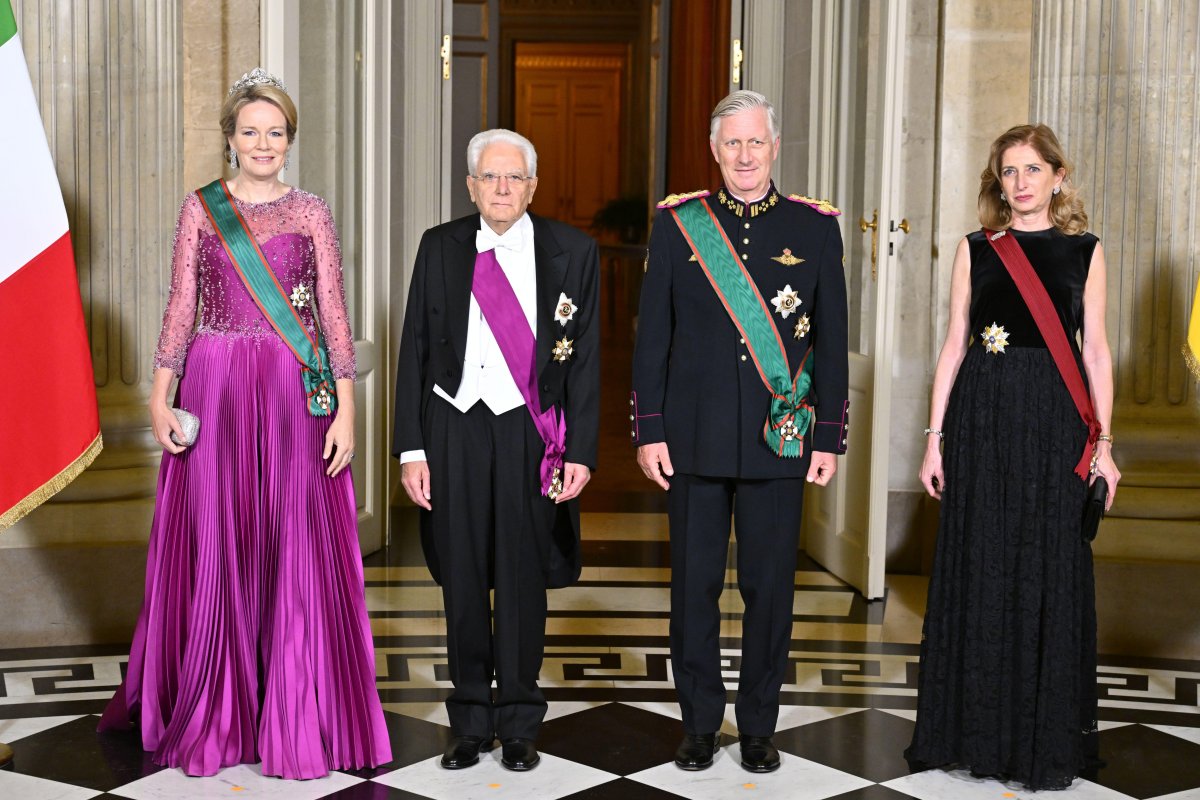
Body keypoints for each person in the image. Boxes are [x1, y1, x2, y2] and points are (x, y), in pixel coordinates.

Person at [98, 68, 392, 779]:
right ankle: (221, 707)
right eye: (250, 132)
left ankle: (292, 707)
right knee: (220, 540)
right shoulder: (202, 208)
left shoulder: (313, 212)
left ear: (290, 140)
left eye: (276, 132)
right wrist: (158, 398)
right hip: (218, 387)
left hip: (294, 394)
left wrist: (348, 415)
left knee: (290, 535)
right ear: (230, 139)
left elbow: (334, 318)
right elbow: (179, 307)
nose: (263, 143)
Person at [631, 90, 849, 774]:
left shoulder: (814, 229)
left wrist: (829, 436)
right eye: (732, 143)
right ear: (714, 150)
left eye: (756, 143)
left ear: (775, 148)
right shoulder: (679, 224)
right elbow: (652, 336)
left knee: (769, 591)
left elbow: (835, 339)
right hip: (692, 439)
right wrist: (650, 429)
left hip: (777, 439)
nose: (745, 156)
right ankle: (698, 723)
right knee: (692, 588)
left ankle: (758, 725)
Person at [904, 124, 1120, 789]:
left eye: (1032, 169)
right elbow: (953, 344)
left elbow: (1096, 352)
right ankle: (977, 734)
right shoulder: (979, 249)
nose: (1020, 183)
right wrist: (934, 439)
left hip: (1056, 424)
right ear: (997, 182)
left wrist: (1104, 445)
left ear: (1058, 175)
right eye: (1008, 172)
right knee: (984, 565)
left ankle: (1039, 739)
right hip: (984, 419)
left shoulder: (1085, 251)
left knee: (1047, 567)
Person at [393, 129, 599, 772]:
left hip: (528, 432)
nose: (503, 188)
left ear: (533, 186)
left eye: (515, 178)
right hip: (453, 426)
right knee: (461, 576)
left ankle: (517, 720)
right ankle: (468, 720)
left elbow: (587, 360)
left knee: (520, 577)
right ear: (471, 186)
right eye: (490, 177)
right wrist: (411, 450)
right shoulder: (440, 246)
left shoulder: (573, 250)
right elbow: (414, 352)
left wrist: (582, 452)